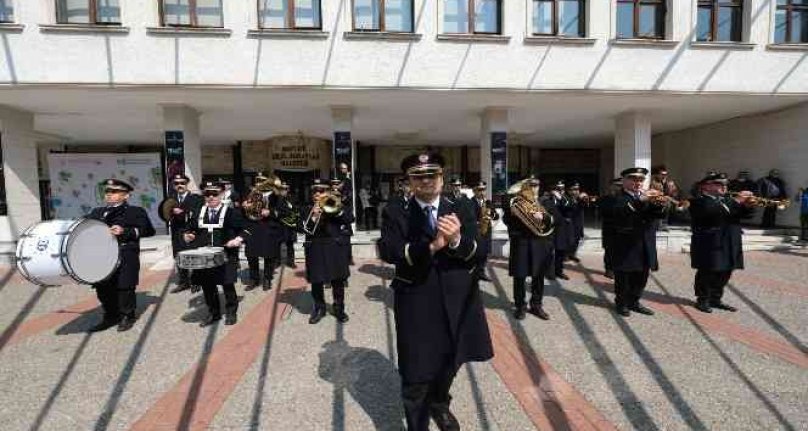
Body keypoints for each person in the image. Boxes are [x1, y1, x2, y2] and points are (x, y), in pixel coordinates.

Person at [378, 152, 492, 431]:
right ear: (409, 181)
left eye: (432, 175)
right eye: (419, 176)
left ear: (442, 177)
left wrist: (455, 241)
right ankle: (417, 423)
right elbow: (390, 251)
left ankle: (440, 403)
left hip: (458, 297)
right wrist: (430, 247)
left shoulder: (462, 205)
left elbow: (480, 250)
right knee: (416, 369)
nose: (427, 181)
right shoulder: (396, 210)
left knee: (451, 359)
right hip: (416, 298)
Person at [86, 179, 156, 332]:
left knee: (125, 287)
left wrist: (125, 231)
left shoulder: (135, 211)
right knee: (103, 287)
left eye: (114, 192)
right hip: (102, 255)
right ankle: (110, 315)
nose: (109, 194)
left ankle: (127, 316)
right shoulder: (96, 212)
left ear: (126, 196)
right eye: (107, 192)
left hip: (125, 253)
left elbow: (149, 230)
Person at [601, 167, 669, 317]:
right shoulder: (615, 198)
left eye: (641, 180)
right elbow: (619, 213)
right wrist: (639, 200)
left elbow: (657, 215)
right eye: (633, 179)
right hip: (626, 245)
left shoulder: (647, 196)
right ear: (624, 181)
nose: (638, 183)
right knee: (624, 278)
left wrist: (661, 205)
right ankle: (622, 303)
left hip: (645, 243)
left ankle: (634, 301)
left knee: (642, 276)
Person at [689, 172, 756, 313]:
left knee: (726, 270)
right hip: (710, 242)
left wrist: (749, 205)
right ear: (705, 186)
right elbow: (713, 211)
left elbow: (745, 215)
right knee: (709, 271)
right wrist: (737, 201)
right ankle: (702, 299)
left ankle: (716, 298)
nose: (724, 186)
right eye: (719, 184)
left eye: (725, 184)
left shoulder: (727, 200)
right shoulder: (699, 201)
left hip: (730, 240)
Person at [183, 181, 246, 326]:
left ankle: (231, 312)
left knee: (227, 285)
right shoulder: (199, 212)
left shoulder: (231, 212)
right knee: (207, 286)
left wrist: (238, 239)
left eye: (214, 194)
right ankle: (214, 313)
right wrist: (188, 235)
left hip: (225, 255)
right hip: (204, 257)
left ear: (221, 195)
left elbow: (246, 229)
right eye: (207, 194)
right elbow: (190, 229)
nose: (211, 197)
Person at [503, 176, 559, 320]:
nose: (533, 189)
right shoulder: (516, 202)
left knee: (538, 276)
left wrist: (544, 217)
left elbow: (557, 219)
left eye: (536, 186)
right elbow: (506, 221)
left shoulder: (546, 202)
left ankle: (536, 305)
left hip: (539, 243)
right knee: (519, 276)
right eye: (530, 186)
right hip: (521, 243)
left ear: (539, 187)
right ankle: (520, 306)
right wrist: (511, 213)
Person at [301, 179, 354, 324]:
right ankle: (319, 308)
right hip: (315, 247)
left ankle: (339, 309)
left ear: (327, 192)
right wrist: (313, 217)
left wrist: (336, 211)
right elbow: (304, 229)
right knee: (316, 280)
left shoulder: (335, 203)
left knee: (338, 280)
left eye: (321, 191)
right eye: (315, 192)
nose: (318, 194)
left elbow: (350, 218)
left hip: (334, 247)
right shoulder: (307, 209)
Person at [242, 173, 284, 291]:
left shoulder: (277, 195)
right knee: (251, 254)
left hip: (268, 228)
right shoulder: (251, 194)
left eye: (262, 181)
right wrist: (245, 206)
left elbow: (282, 212)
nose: (259, 183)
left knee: (268, 255)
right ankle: (254, 279)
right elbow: (245, 211)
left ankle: (267, 278)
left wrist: (270, 212)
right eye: (258, 181)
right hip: (253, 227)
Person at [167, 174, 204, 294]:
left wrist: (184, 213)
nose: (179, 185)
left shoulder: (196, 198)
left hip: (190, 231)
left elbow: (199, 215)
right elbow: (165, 214)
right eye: (176, 183)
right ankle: (184, 282)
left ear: (187, 184)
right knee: (179, 257)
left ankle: (196, 281)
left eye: (182, 183)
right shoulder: (170, 198)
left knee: (193, 256)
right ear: (173, 185)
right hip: (176, 232)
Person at [470, 181, 499, 282]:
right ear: (475, 191)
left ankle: (481, 272)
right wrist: (478, 221)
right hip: (477, 231)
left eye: (484, 189)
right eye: (480, 190)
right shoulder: (470, 202)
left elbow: (496, 216)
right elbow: (469, 217)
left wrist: (491, 215)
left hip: (487, 230)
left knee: (485, 252)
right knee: (477, 253)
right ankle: (474, 272)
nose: (482, 192)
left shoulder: (488, 202)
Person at [547, 181, 575, 280]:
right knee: (549, 251)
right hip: (549, 228)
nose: (560, 191)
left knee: (560, 251)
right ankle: (549, 272)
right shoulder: (547, 198)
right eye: (558, 189)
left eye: (562, 189)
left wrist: (561, 198)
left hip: (561, 229)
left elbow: (570, 207)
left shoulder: (566, 199)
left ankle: (559, 271)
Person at [599, 178, 623, 279]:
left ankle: (618, 268)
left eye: (621, 186)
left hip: (621, 229)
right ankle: (608, 269)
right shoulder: (605, 199)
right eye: (617, 186)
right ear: (612, 186)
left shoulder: (625, 198)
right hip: (609, 229)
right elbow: (603, 213)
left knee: (620, 250)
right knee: (609, 251)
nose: (619, 188)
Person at [277, 182, 298, 268]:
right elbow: (278, 210)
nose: (284, 191)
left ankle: (291, 261)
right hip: (281, 225)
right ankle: (277, 261)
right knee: (278, 244)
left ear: (288, 190)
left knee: (290, 245)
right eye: (282, 189)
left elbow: (296, 209)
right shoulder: (277, 199)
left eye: (285, 189)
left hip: (290, 226)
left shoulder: (292, 198)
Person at [565, 181, 586, 263]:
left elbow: (585, 205)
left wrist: (584, 199)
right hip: (569, 223)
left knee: (577, 240)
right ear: (569, 191)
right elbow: (569, 209)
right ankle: (565, 255)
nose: (576, 191)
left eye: (577, 189)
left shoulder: (580, 199)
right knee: (569, 240)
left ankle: (572, 254)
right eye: (573, 189)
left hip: (578, 223)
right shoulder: (566, 198)